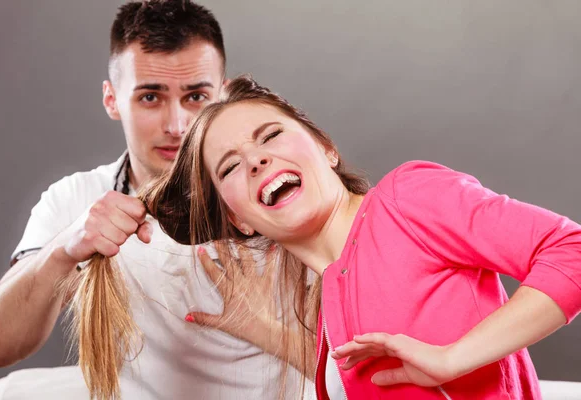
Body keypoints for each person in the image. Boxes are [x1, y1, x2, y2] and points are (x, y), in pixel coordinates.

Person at [143, 75, 581, 399]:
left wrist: (453, 358)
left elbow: (572, 250)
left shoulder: (408, 200)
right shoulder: (329, 310)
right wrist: (267, 333)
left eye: (271, 135)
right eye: (230, 166)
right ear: (241, 220)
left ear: (326, 148)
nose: (256, 159)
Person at [0, 3, 308, 399]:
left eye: (196, 97)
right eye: (150, 97)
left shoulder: (273, 187)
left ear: (223, 96)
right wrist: (64, 250)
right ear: (112, 99)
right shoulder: (77, 197)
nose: (177, 126)